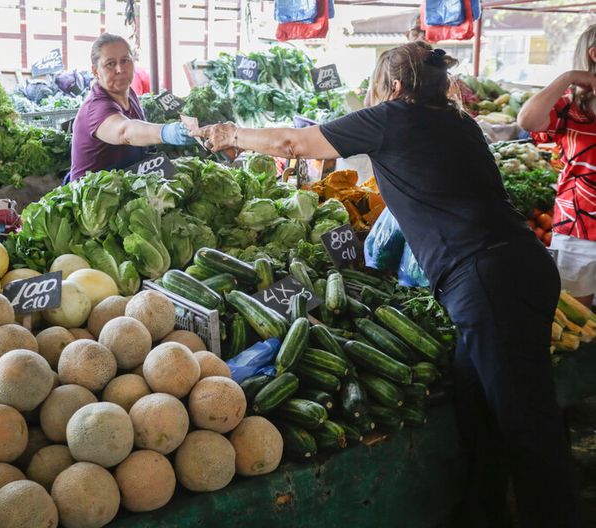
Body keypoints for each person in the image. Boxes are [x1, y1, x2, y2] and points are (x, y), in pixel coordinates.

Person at [195, 41, 579, 528]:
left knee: (526, 423)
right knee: (475, 400)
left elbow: (294, 144)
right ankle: (483, 510)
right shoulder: (456, 120)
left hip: (486, 280)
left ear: (395, 86)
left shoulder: (393, 116)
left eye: (378, 85)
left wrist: (232, 133)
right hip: (516, 267)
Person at [518, 24, 596, 308]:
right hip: (580, 226)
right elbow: (526, 121)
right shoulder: (570, 108)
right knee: (577, 317)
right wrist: (568, 78)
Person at [65, 33, 194, 183]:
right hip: (93, 197)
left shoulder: (129, 93)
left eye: (125, 61)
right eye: (110, 64)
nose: (120, 69)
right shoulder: (96, 108)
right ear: (95, 71)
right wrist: (167, 132)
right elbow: (125, 131)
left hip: (124, 182)